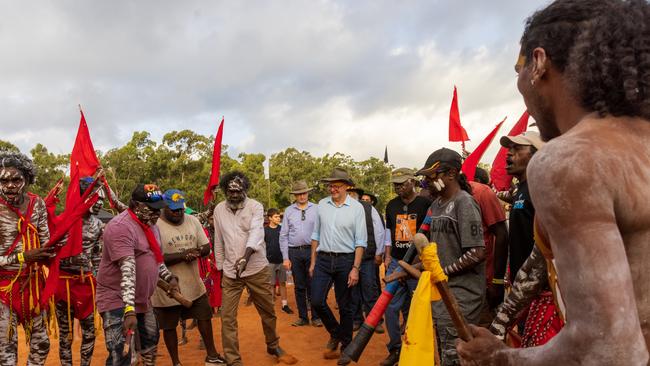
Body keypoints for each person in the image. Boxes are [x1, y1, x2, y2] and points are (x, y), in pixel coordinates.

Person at [457, 0, 650, 364]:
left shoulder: (571, 159)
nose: (519, 83)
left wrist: (499, 357)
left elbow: (607, 349)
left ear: (540, 62)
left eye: (520, 68)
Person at [213, 171, 296, 366]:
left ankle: (273, 344)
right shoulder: (218, 210)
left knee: (268, 311)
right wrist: (219, 267)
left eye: (238, 192)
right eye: (230, 192)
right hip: (230, 273)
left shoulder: (255, 207)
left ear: (245, 190)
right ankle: (233, 360)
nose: (234, 195)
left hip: (256, 269)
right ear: (225, 190)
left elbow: (257, 233)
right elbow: (219, 239)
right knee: (227, 317)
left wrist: (245, 257)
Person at [96, 183, 179, 366]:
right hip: (117, 299)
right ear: (135, 205)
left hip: (142, 299)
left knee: (150, 342)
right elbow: (127, 270)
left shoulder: (151, 225)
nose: (158, 214)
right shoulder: (120, 227)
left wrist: (168, 277)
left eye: (159, 209)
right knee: (121, 353)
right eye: (152, 209)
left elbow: (156, 259)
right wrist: (129, 310)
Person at [416, 148, 485, 366]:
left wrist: (442, 273)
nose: (427, 182)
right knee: (446, 354)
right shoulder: (435, 205)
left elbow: (477, 252)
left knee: (456, 356)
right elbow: (438, 253)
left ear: (452, 174)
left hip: (461, 299)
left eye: (431, 176)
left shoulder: (464, 202)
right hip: (441, 296)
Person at [152, 189, 225, 365]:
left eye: (180, 209)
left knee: (204, 316)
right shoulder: (154, 226)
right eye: (173, 210)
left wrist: (198, 252)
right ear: (163, 207)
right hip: (167, 288)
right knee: (169, 326)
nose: (178, 213)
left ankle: (212, 356)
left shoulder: (192, 220)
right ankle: (176, 362)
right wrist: (183, 255)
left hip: (194, 284)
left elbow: (206, 247)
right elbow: (154, 259)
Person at [0, 152, 55, 365]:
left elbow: (45, 242)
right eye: (4, 180)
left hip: (32, 287)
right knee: (6, 350)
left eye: (16, 179)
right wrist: (24, 256)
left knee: (41, 345)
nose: (10, 185)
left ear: (27, 179)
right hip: (3, 289)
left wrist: (62, 239)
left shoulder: (37, 204)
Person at [309, 167, 367, 365]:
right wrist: (313, 261)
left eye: (336, 186)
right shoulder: (321, 205)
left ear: (346, 186)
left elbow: (361, 241)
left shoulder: (357, 208)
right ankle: (336, 332)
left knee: (345, 307)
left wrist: (355, 268)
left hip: (346, 261)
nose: (332, 189)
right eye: (330, 185)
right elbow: (315, 234)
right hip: (323, 259)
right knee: (316, 300)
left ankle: (346, 348)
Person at [54, 177, 108, 366]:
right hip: (63, 283)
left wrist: (100, 283)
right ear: (82, 197)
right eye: (94, 197)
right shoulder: (63, 221)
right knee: (66, 334)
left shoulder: (98, 225)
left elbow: (98, 258)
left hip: (87, 284)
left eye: (102, 199)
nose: (99, 203)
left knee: (89, 332)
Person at [381, 167, 431, 366]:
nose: (398, 187)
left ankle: (415, 350)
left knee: (416, 308)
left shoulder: (425, 204)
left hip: (417, 265)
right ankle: (395, 348)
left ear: (412, 181)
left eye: (402, 183)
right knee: (390, 308)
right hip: (395, 261)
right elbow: (388, 232)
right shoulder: (391, 205)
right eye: (395, 184)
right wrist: (387, 256)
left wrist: (421, 264)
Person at [492, 131, 542, 291]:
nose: (509, 153)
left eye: (517, 148)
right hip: (520, 285)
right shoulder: (521, 190)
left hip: (537, 288)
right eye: (509, 148)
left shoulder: (541, 189)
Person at [279, 180, 322, 327]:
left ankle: (316, 317)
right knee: (299, 286)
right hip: (294, 252)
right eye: (299, 194)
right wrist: (285, 257)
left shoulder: (317, 209)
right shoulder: (289, 211)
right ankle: (303, 317)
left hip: (312, 251)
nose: (302, 196)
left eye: (304, 193)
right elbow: (283, 235)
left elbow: (322, 231)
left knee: (314, 284)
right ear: (295, 196)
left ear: (308, 193)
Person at [467, 176, 508, 316]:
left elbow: (502, 234)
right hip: (452, 286)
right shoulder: (437, 201)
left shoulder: (482, 193)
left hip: (483, 285)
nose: (427, 183)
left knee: (483, 332)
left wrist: (497, 281)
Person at [346, 187, 385, 334]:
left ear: (357, 195)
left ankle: (375, 320)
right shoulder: (342, 210)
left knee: (370, 289)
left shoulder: (368, 208)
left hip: (367, 257)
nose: (349, 195)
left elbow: (379, 231)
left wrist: (379, 252)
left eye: (351, 193)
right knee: (353, 290)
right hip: (349, 257)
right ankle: (357, 320)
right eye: (348, 193)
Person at [265, 207, 293, 314]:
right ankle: (270, 306)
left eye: (279, 217)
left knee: (282, 283)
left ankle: (284, 305)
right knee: (271, 285)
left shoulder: (282, 230)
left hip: (282, 261)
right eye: (276, 217)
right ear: (270, 218)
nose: (278, 219)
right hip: (269, 262)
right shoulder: (265, 231)